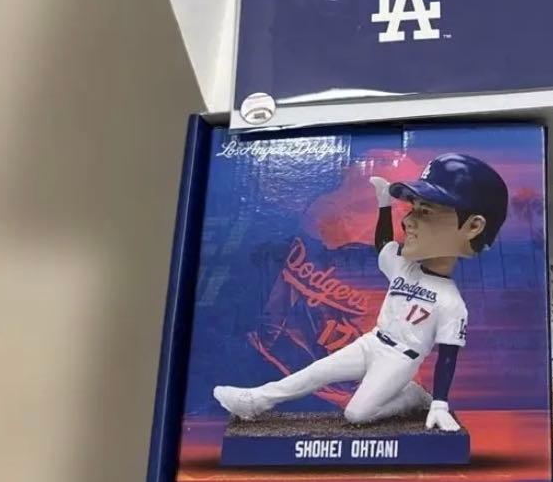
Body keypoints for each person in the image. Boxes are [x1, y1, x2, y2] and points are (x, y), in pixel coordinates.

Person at [213, 153, 508, 432]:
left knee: (357, 414)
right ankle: (254, 401)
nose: (408, 220)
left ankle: (413, 396)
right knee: (316, 371)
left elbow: (447, 355)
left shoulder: (451, 301)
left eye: (426, 211)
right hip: (371, 342)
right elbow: (384, 245)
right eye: (413, 208)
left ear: (473, 226)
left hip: (400, 359)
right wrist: (384, 204)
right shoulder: (404, 267)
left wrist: (440, 402)